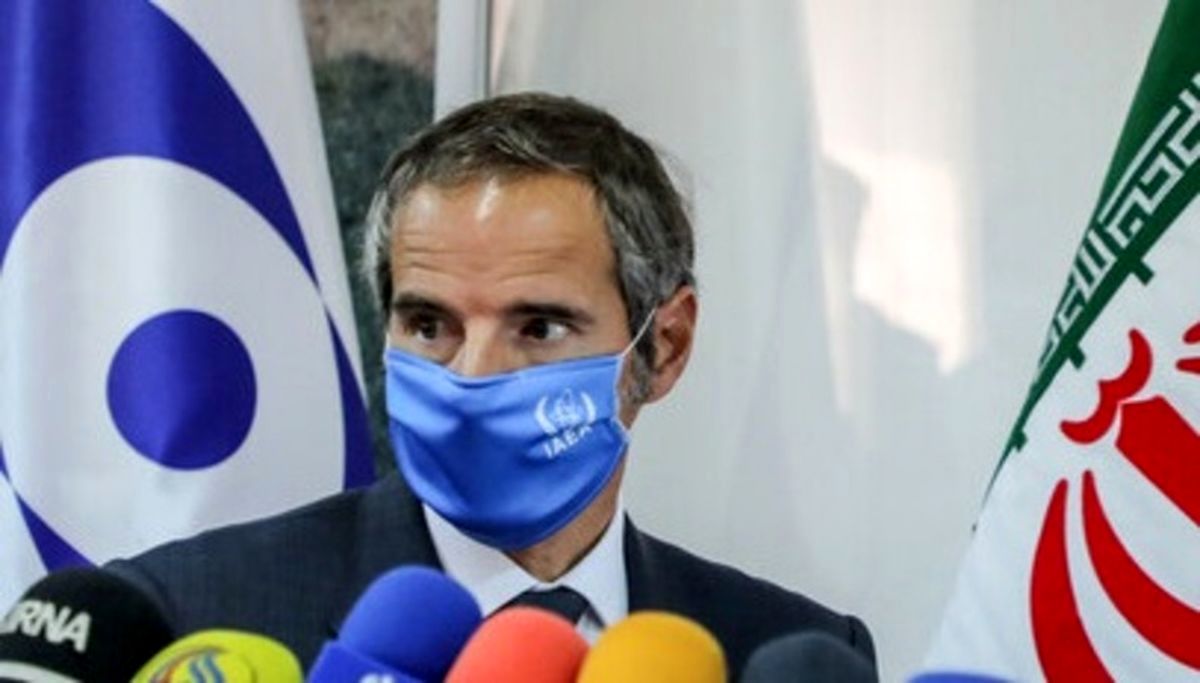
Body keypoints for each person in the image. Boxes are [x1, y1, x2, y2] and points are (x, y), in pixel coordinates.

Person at [107, 92, 875, 677]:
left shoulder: (784, 651)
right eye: (430, 324)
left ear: (665, 347)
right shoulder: (189, 617)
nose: (472, 375)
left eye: (538, 327)